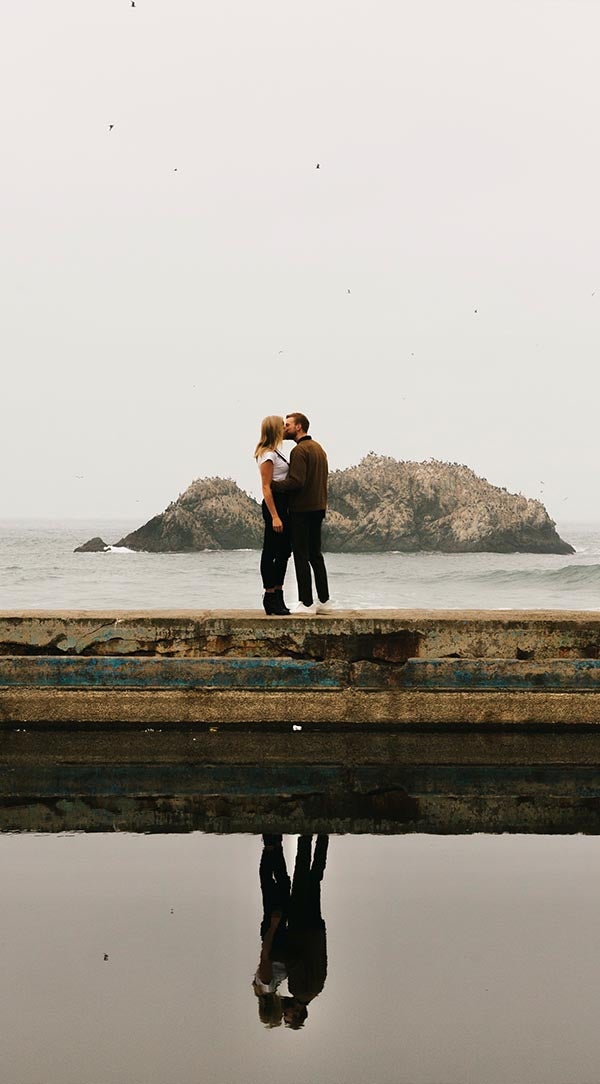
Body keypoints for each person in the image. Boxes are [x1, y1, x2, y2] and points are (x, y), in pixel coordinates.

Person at [272, 412, 333, 615]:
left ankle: (306, 603)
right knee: (316, 555)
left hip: (302, 510)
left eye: (287, 425)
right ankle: (324, 601)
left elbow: (297, 481)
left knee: (300, 555)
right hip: (318, 507)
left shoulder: (299, 451)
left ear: (299, 427)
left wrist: (272, 485)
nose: (284, 428)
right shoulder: (319, 449)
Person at [281, 834, 329, 1029]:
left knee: (315, 879)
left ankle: (323, 836)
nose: (285, 1012)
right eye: (289, 1015)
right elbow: (296, 961)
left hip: (316, 931)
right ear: (299, 1012)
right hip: (301, 929)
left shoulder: (318, 988)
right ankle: (305, 836)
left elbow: (322, 959)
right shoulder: (298, 989)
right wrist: (276, 956)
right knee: (301, 875)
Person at [254, 416, 292, 615]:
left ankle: (278, 593)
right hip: (274, 505)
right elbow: (266, 488)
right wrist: (275, 516)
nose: (285, 428)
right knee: (271, 551)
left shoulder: (276, 451)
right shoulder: (267, 455)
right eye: (282, 426)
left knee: (284, 551)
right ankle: (269, 596)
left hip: (283, 504)